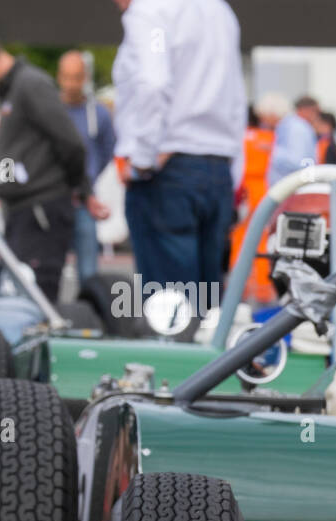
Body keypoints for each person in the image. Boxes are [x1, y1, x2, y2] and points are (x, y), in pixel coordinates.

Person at [112, 0, 245, 310]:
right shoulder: (220, 11)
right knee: (206, 305)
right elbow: (236, 97)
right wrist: (232, 170)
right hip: (216, 167)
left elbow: (153, 82)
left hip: (167, 171)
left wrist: (142, 160)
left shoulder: (150, 10)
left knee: (169, 310)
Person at [0, 28, 103, 302]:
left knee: (35, 302)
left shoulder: (30, 85)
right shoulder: (11, 91)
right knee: (18, 297)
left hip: (40, 214)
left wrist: (80, 190)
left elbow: (71, 143)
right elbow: (18, 156)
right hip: (23, 213)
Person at [57, 50, 115, 283]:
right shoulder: (49, 110)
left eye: (77, 77)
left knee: (89, 270)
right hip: (54, 199)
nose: (71, 84)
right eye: (67, 77)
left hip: (84, 200)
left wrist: (89, 178)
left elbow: (106, 150)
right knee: (49, 265)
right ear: (59, 77)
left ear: (85, 78)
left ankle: (88, 304)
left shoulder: (98, 114)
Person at [232, 93, 288, 304]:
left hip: (244, 191)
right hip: (263, 189)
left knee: (240, 236)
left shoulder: (242, 137)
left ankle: (239, 284)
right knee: (263, 237)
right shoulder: (271, 139)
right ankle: (264, 285)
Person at [269, 95, 321, 185]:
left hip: (291, 184)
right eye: (315, 111)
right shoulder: (298, 128)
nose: (317, 116)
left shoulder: (295, 126)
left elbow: (298, 160)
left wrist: (274, 151)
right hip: (293, 184)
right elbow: (298, 161)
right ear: (306, 110)